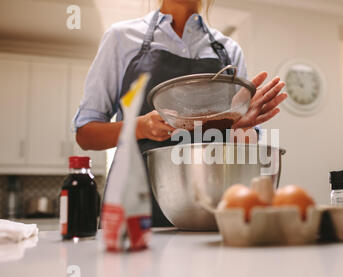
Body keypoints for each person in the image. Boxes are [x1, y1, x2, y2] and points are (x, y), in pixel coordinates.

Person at [74, 0, 287, 226]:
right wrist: (141, 126)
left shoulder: (229, 51)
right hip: (134, 210)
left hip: (209, 208)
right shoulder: (121, 38)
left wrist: (240, 126)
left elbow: (244, 150)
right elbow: (85, 134)